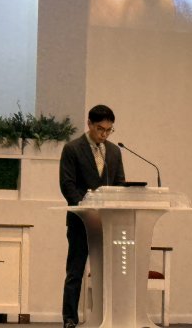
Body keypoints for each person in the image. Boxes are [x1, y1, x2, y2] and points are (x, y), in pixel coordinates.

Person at [59, 104, 126, 328]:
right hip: (81, 221)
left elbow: (120, 184)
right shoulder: (72, 149)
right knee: (75, 271)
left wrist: (113, 205)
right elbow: (67, 185)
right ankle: (70, 319)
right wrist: (87, 208)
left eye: (109, 130)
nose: (104, 134)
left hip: (108, 223)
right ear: (89, 124)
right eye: (100, 129)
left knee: (107, 272)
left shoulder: (114, 152)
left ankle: (107, 317)